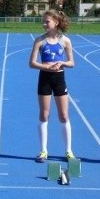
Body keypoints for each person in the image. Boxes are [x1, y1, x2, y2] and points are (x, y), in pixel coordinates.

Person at [29, 9, 75, 162]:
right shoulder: (40, 41)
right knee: (44, 114)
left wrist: (62, 63)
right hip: (45, 78)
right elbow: (32, 63)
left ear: (56, 22)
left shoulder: (65, 41)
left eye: (47, 21)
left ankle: (68, 151)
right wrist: (47, 67)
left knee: (64, 115)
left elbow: (71, 63)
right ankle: (43, 151)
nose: (44, 24)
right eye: (43, 21)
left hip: (59, 78)